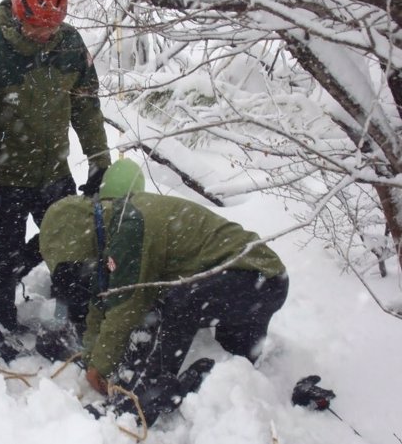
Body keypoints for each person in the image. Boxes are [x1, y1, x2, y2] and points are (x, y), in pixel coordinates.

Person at [39, 159, 289, 425]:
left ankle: (144, 402)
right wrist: (92, 358)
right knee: (232, 370)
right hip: (237, 284)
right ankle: (198, 385)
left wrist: (99, 366)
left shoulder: (129, 225)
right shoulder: (110, 230)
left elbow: (126, 306)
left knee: (180, 304)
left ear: (78, 235)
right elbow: (102, 301)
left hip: (260, 278)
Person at [0, 0, 111, 350]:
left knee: (73, 251)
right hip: (1, 178)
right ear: (16, 10)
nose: (45, 35)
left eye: (52, 27)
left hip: (53, 174)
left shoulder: (70, 45)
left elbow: (87, 106)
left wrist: (98, 160)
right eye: (35, 27)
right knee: (0, 261)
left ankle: (77, 322)